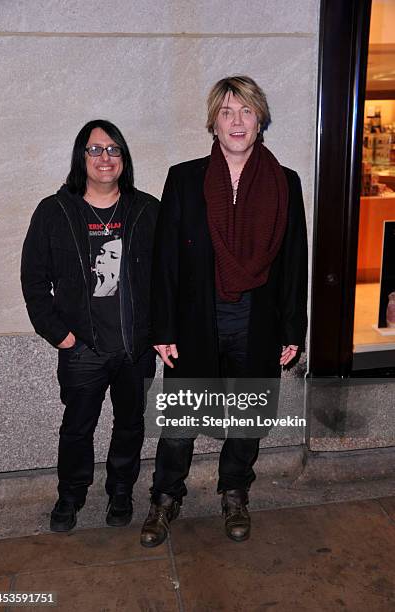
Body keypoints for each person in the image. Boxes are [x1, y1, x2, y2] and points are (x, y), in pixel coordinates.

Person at [140, 76, 308, 547]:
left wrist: (293, 327)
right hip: (197, 322)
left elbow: (295, 260)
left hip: (258, 321)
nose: (238, 121)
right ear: (214, 122)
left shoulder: (285, 183)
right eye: (228, 112)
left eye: (247, 111)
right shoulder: (185, 178)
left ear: (260, 121)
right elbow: (166, 259)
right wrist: (163, 327)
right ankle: (165, 497)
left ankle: (235, 491)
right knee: (180, 422)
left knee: (247, 418)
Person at [21, 119, 159, 532]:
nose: (105, 157)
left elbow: (169, 277)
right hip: (82, 349)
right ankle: (71, 495)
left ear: (124, 158)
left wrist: (159, 333)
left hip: (134, 348)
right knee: (77, 429)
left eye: (113, 149)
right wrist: (61, 336)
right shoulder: (55, 211)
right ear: (81, 157)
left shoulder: (147, 210)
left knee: (130, 424)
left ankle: (120, 492)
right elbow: (33, 279)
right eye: (95, 149)